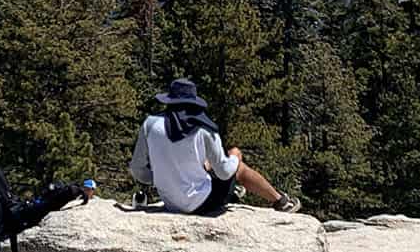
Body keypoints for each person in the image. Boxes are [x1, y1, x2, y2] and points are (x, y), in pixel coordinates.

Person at [128, 78, 300, 215]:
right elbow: (225, 172)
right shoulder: (204, 128)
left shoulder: (150, 124)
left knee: (207, 164)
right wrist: (235, 157)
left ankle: (235, 192)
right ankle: (281, 201)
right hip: (201, 205)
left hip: (170, 202)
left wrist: (161, 178)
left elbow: (137, 170)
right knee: (236, 165)